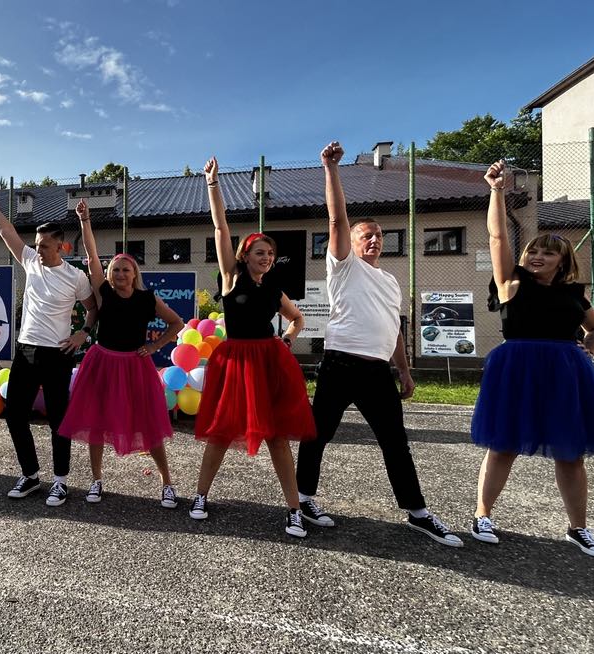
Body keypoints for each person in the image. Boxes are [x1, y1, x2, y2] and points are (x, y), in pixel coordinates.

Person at [295, 142, 462, 547]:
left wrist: (403, 369)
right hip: (339, 365)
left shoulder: (389, 281)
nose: (374, 240)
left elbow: (394, 329)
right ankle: (302, 499)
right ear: (352, 243)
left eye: (379, 236)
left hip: (377, 371)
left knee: (395, 443)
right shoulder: (343, 267)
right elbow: (337, 219)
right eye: (366, 235)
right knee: (318, 435)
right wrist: (330, 169)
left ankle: (418, 513)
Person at [470, 160, 594, 559]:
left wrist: (589, 351)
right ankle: (482, 515)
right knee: (503, 445)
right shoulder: (511, 282)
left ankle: (578, 528)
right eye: (533, 251)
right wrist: (497, 190)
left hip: (565, 372)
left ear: (563, 261)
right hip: (518, 369)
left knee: (570, 452)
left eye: (548, 253)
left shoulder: (574, 294)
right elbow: (497, 237)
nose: (537, 256)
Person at [189, 156, 316, 538]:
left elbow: (297, 319)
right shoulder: (231, 277)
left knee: (277, 437)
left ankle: (293, 510)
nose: (267, 258)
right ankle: (200, 496)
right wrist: (213, 184)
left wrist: (288, 340)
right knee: (221, 433)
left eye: (271, 254)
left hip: (269, 361)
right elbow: (220, 227)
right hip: (235, 361)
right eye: (260, 252)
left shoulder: (274, 290)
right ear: (245, 255)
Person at [0, 177, 98, 507]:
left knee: (59, 419)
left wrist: (83, 333)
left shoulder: (76, 277)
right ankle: (31, 475)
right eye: (37, 244)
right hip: (27, 350)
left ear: (61, 247)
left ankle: (60, 481)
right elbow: (6, 231)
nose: (38, 250)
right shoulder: (31, 262)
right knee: (15, 415)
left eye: (45, 245)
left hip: (58, 354)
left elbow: (92, 309)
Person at [60, 199, 185, 507]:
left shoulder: (147, 299)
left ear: (134, 273)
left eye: (125, 269)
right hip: (102, 363)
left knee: (149, 427)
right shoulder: (103, 293)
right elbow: (91, 256)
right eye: (115, 269)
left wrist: (154, 346)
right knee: (96, 425)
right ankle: (96, 480)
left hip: (135, 366)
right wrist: (85, 221)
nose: (119, 273)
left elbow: (177, 323)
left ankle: (167, 483)